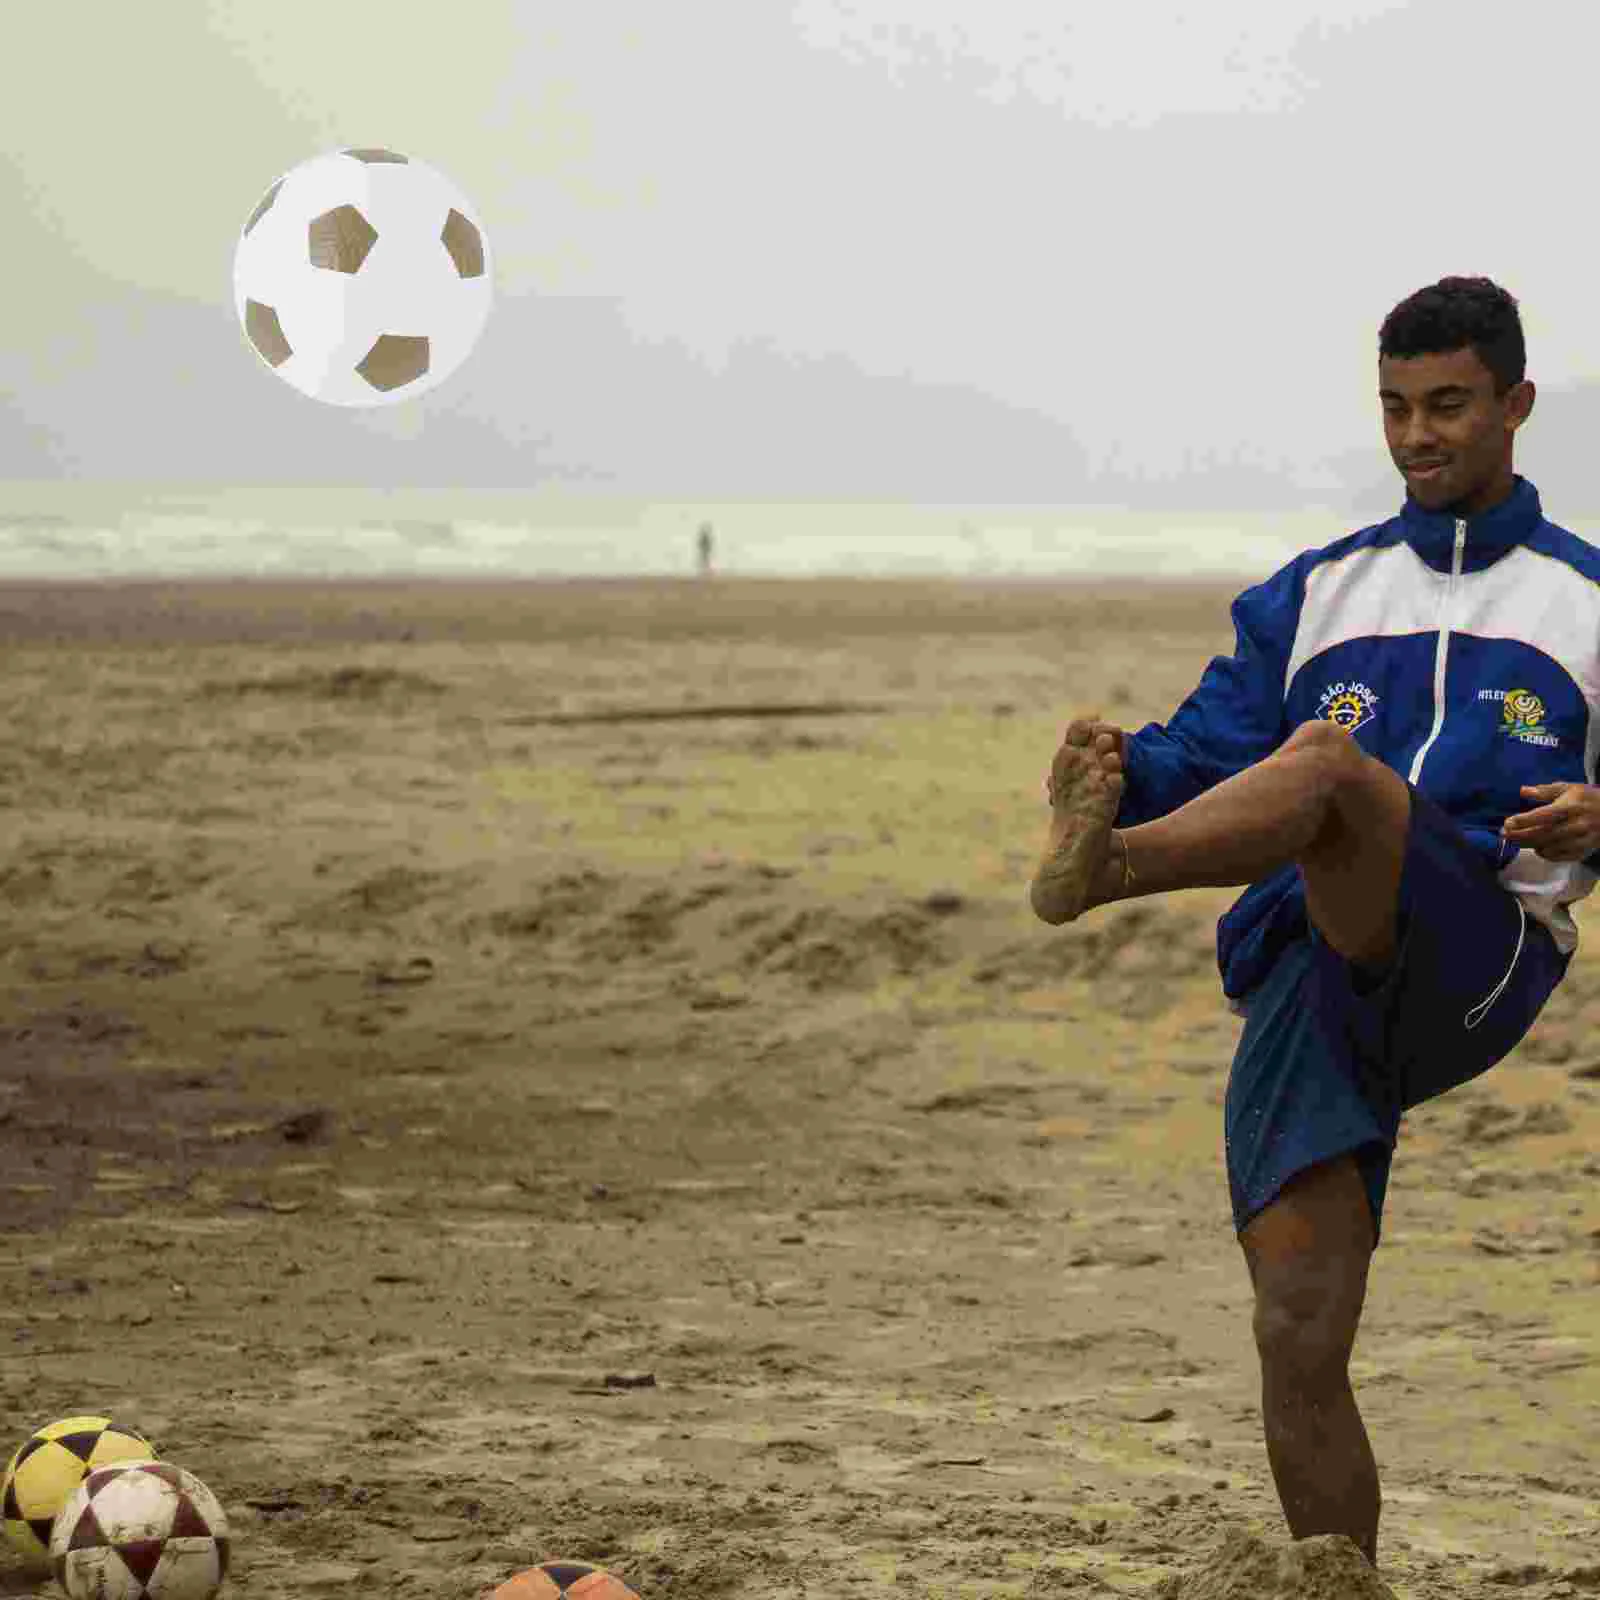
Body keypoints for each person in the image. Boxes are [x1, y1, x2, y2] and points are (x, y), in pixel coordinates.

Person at [1029, 276, 1600, 1571]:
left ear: (1515, 405)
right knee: (1296, 1331)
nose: (1416, 437)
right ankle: (1338, 1581)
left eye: (1447, 405)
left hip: (1478, 948)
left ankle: (1109, 877)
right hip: (1313, 963)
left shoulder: (1586, 602)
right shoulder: (1316, 594)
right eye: (1395, 409)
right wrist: (1125, 769)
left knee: (1335, 769)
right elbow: (1208, 751)